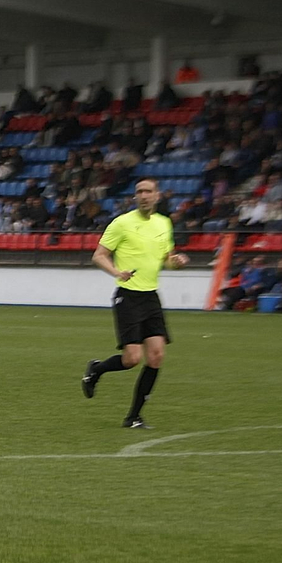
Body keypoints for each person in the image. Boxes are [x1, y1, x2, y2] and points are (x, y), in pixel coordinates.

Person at [79, 178, 189, 429]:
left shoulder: (164, 223)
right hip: (127, 296)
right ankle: (97, 369)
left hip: (151, 296)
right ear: (134, 197)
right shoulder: (122, 223)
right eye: (139, 191)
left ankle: (134, 416)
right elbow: (99, 255)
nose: (143, 195)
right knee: (131, 359)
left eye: (148, 191)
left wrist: (177, 261)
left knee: (157, 356)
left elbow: (166, 259)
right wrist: (117, 272)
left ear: (157, 195)